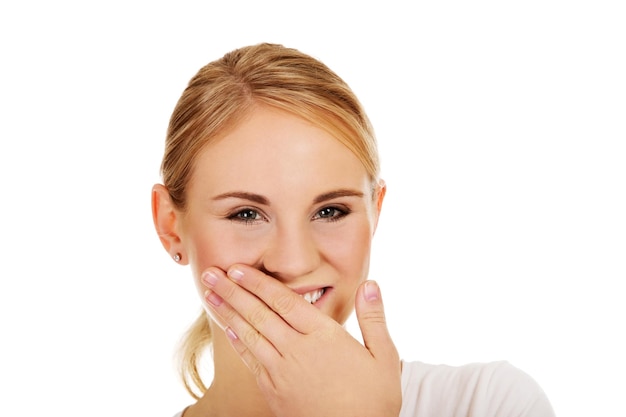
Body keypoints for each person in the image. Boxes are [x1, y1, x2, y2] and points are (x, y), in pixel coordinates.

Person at [151, 43, 555, 417]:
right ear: (171, 226)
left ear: (375, 212)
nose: (294, 262)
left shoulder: (491, 403)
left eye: (330, 211)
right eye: (246, 215)